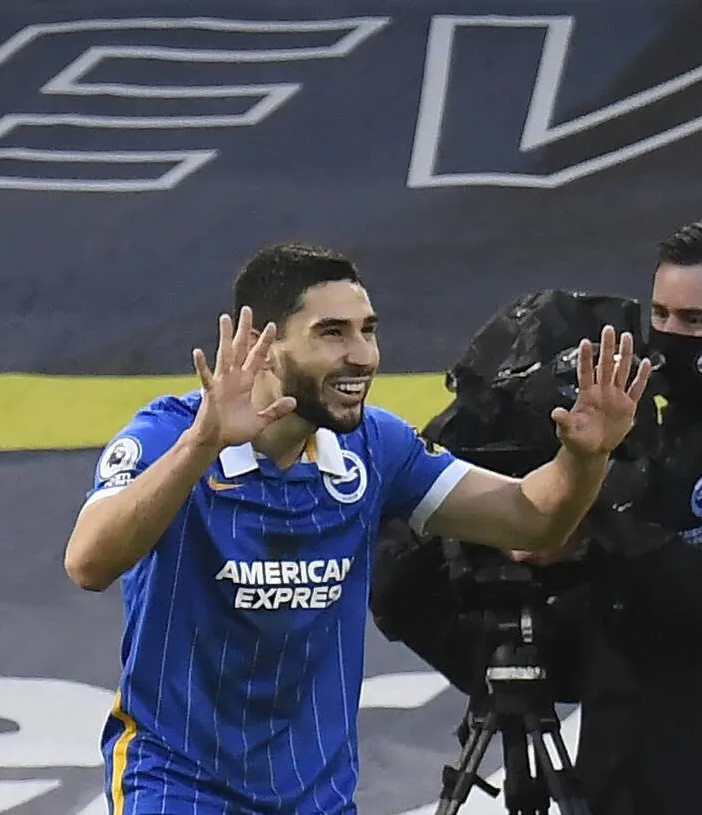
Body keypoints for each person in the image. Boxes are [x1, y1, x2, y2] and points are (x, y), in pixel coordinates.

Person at [61, 242, 651, 815]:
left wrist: (584, 458)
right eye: (332, 333)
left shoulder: (374, 447)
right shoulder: (170, 435)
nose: (364, 355)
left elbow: (533, 519)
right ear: (263, 347)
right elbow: (88, 564)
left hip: (315, 797)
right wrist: (202, 444)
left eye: (368, 330)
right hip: (179, 787)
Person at [371, 215, 702, 815]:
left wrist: (594, 538)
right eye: (660, 315)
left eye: (694, 321)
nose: (668, 336)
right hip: (624, 783)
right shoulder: (653, 437)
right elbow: (597, 637)